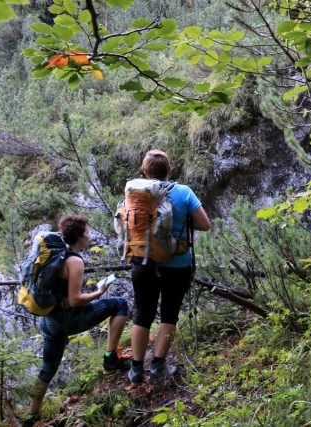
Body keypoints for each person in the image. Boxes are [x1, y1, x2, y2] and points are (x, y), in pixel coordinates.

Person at [25, 215, 129, 424]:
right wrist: (99, 292)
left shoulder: (55, 253)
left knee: (47, 369)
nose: (90, 236)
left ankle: (31, 416)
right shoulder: (74, 261)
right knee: (119, 304)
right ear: (80, 236)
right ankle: (110, 359)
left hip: (47, 319)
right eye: (88, 232)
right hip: (66, 319)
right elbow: (74, 300)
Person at [128, 149, 211, 384]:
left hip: (142, 262)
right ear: (170, 169)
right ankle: (157, 365)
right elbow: (205, 225)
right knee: (169, 313)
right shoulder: (184, 192)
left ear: (144, 171)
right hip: (177, 264)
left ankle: (135, 370)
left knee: (142, 314)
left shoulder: (134, 192)